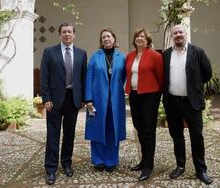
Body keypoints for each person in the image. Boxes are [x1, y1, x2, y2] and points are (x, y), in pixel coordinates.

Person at [162, 24, 213, 185]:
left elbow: (207, 73)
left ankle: (201, 170)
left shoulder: (197, 52)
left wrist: (193, 87)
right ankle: (180, 165)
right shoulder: (166, 54)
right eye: (175, 33)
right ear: (172, 36)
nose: (178, 35)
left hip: (192, 103)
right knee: (177, 136)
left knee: (196, 137)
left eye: (180, 32)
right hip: (172, 103)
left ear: (186, 34)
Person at [41, 23, 87, 185]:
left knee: (69, 134)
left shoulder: (82, 53)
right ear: (60, 35)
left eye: (69, 32)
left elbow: (83, 78)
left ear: (74, 35)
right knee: (53, 135)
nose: (67, 34)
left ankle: (67, 164)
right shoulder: (49, 52)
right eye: (64, 32)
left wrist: (83, 98)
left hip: (73, 100)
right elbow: (44, 77)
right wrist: (46, 98)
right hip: (54, 100)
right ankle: (51, 169)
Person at [85, 28, 126, 172]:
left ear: (114, 39)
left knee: (112, 129)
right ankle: (98, 161)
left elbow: (124, 77)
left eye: (109, 36)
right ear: (101, 41)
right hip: (97, 99)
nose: (106, 39)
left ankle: (111, 161)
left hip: (115, 100)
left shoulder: (121, 57)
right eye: (103, 37)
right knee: (97, 129)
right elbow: (89, 77)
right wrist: (88, 98)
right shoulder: (95, 56)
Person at [125, 28, 164, 181]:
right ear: (134, 40)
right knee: (139, 127)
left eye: (142, 36)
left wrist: (159, 96)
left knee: (148, 130)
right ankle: (143, 160)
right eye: (137, 36)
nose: (139, 38)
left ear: (148, 40)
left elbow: (161, 78)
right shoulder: (130, 56)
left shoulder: (155, 56)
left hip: (150, 96)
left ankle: (149, 165)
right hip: (134, 95)